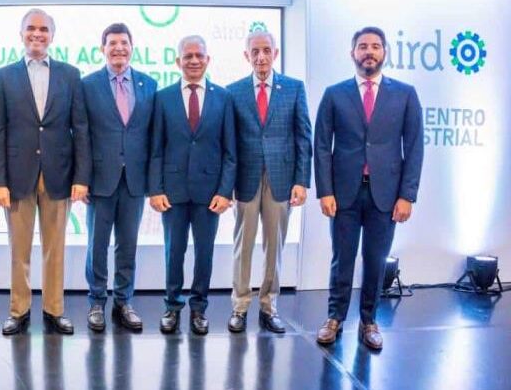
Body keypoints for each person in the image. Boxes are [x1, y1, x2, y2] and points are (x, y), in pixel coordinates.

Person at [314, 26, 424, 350]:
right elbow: (322, 145)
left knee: (376, 261)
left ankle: (369, 321)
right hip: (344, 193)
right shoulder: (334, 94)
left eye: (375, 46)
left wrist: (407, 195)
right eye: (363, 46)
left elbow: (414, 147)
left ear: (384, 53)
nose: (369, 52)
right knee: (342, 260)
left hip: (386, 196)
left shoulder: (405, 94)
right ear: (353, 53)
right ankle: (334, 318)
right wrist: (325, 191)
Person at [0, 8, 90, 335]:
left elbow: (80, 128)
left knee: (55, 249)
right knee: (19, 250)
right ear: (21, 34)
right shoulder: (4, 76)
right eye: (31, 28)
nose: (37, 34)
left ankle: (54, 310)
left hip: (59, 175)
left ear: (52, 36)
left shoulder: (70, 74)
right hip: (17, 178)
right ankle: (18, 310)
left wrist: (82, 177)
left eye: (44, 29)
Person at [148, 35, 236, 335]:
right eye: (188, 56)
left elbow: (230, 151)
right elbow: (156, 148)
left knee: (204, 253)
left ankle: (199, 308)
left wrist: (225, 192)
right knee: (174, 252)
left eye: (199, 55)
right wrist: (155, 189)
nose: (194, 61)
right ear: (178, 61)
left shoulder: (224, 98)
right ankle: (172, 306)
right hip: (172, 192)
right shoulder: (163, 97)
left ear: (208, 60)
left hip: (210, 194)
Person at [225, 31, 312, 334]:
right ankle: (239, 307)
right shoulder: (233, 91)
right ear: (246, 56)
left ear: (275, 53)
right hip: (245, 179)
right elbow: (228, 143)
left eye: (266, 50)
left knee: (274, 247)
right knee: (243, 245)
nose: (261, 56)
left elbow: (303, 137)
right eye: (255, 51)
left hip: (281, 179)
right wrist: (226, 186)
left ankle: (268, 307)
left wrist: (301, 181)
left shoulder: (294, 88)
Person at [80, 23, 157, 332]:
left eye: (124, 43)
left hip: (135, 180)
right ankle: (97, 302)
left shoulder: (149, 84)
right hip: (100, 180)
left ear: (132, 47)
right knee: (97, 245)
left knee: (128, 245)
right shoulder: (88, 85)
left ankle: (124, 301)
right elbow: (80, 135)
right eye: (112, 43)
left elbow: (152, 136)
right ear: (103, 49)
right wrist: (81, 178)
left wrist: (153, 181)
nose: (118, 48)